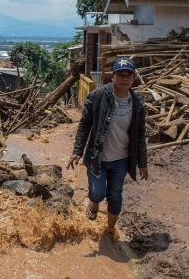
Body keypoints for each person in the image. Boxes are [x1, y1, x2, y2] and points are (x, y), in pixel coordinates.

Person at [67, 57, 148, 242]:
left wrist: (142, 163)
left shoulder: (137, 103)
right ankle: (94, 203)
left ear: (134, 78)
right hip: (98, 157)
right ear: (113, 77)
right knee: (97, 193)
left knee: (115, 195)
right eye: (121, 74)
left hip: (121, 159)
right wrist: (77, 151)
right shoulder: (98, 96)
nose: (124, 78)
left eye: (129, 75)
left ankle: (109, 231)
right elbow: (84, 125)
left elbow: (140, 135)